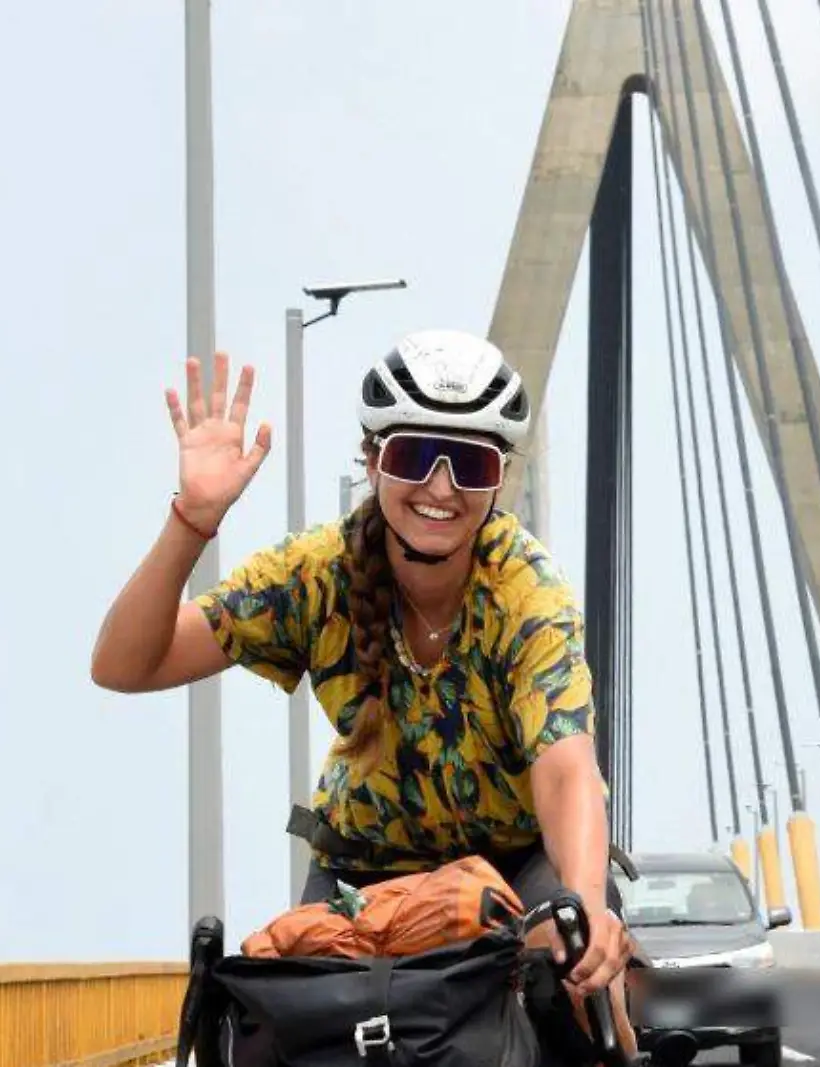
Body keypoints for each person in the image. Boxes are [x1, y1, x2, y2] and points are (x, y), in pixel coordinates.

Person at [91, 330, 635, 1055]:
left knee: (589, 986)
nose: (440, 489)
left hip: (510, 863)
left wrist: (587, 905)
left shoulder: (526, 591)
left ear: (498, 479)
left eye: (469, 464)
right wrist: (193, 521)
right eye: (414, 456)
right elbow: (125, 663)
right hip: (361, 871)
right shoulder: (318, 573)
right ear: (374, 458)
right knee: (295, 1030)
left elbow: (566, 766)